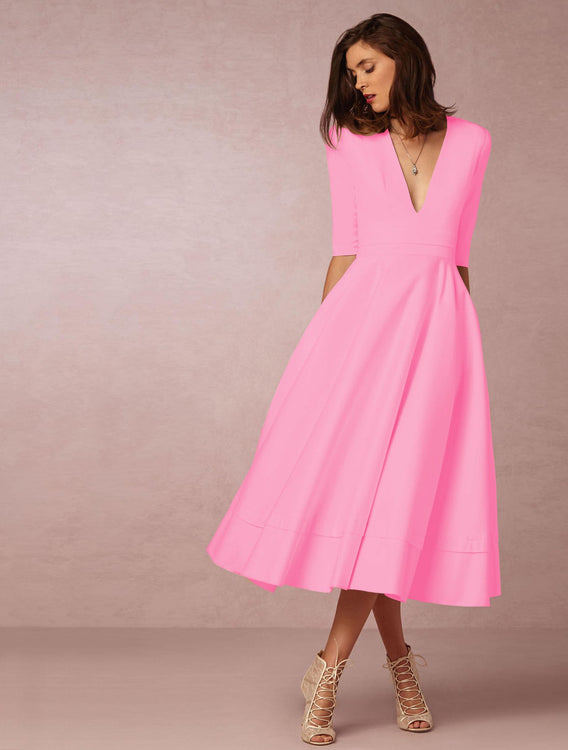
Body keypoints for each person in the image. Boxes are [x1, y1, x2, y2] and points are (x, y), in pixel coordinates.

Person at [206, 12, 501, 745]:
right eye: (350, 71)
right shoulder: (348, 139)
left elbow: (459, 255)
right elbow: (345, 249)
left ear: (404, 57)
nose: (357, 82)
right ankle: (367, 669)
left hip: (439, 332)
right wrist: (324, 352)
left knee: (394, 505)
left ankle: (351, 669)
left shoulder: (474, 142)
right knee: (376, 507)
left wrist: (461, 347)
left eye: (367, 66)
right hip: (362, 330)